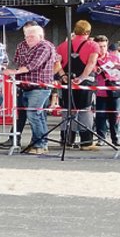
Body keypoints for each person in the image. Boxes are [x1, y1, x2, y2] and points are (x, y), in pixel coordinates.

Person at [6, 23, 57, 154]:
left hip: (40, 87)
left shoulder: (45, 47)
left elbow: (33, 65)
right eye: (26, 36)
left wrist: (14, 72)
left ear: (41, 36)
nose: (28, 39)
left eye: (31, 37)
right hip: (23, 86)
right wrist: (11, 69)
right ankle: (38, 143)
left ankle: (40, 144)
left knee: (34, 115)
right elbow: (16, 60)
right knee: (36, 116)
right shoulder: (21, 45)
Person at [53, 19, 100, 150]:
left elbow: (57, 63)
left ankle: (67, 140)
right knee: (85, 110)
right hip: (85, 82)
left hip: (67, 81)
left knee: (68, 111)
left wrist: (63, 76)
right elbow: (91, 63)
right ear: (88, 31)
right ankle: (86, 142)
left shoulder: (63, 45)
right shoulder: (93, 45)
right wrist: (81, 78)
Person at [93, 34, 120, 146]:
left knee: (114, 115)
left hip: (114, 90)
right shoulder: (93, 58)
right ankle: (101, 138)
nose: (102, 49)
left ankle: (115, 138)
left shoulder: (115, 58)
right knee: (100, 115)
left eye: (104, 46)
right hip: (101, 91)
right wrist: (96, 70)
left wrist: (117, 67)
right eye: (99, 46)